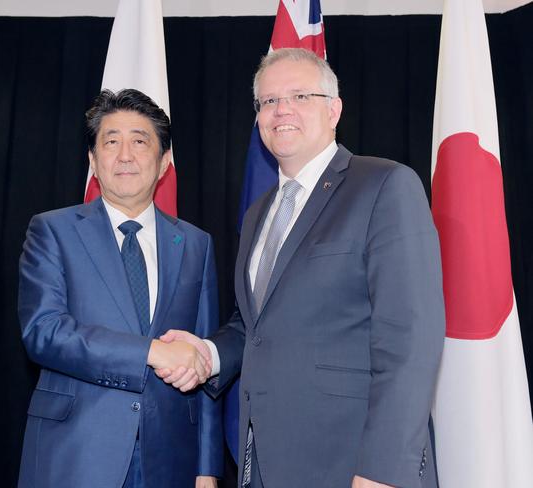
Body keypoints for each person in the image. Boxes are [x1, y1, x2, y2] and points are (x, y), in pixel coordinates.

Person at [158, 48, 445, 488]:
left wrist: (381, 471)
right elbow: (253, 325)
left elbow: (411, 338)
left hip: (354, 464)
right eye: (268, 101)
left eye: (299, 96)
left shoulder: (384, 185)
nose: (282, 110)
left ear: (334, 110)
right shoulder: (259, 214)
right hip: (266, 464)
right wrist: (207, 355)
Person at [17, 88, 222, 488]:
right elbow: (44, 332)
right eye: (111, 142)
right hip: (75, 453)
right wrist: (152, 351)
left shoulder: (196, 244)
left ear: (164, 162)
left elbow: (204, 356)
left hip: (170, 461)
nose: (125, 155)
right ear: (93, 161)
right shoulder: (52, 231)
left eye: (140, 141)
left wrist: (207, 466)